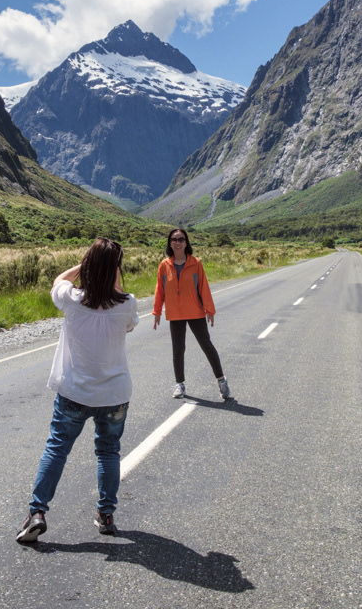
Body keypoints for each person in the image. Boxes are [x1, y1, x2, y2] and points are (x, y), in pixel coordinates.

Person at [16, 238, 139, 544]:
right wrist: (114, 273)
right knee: (108, 452)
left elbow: (58, 281)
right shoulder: (128, 304)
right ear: (115, 269)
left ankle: (37, 513)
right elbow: (128, 323)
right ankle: (106, 514)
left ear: (88, 265)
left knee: (57, 448)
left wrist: (83, 266)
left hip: (74, 392)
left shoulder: (71, 299)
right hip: (113, 394)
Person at [152, 228, 231, 401]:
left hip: (195, 312)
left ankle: (221, 380)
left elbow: (203, 287)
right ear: (170, 243)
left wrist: (209, 310)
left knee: (207, 346)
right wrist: (157, 311)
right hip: (175, 314)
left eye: (181, 239)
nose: (177, 242)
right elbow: (160, 290)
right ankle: (179, 384)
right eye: (174, 239)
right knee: (178, 350)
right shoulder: (164, 265)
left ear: (186, 242)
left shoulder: (196, 263)